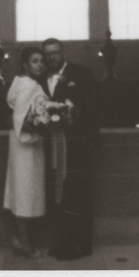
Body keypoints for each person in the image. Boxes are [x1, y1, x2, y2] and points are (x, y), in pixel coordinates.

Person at [41, 38, 100, 260]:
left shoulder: (81, 74)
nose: (51, 57)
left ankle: (83, 244)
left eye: (55, 53)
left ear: (62, 53)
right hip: (53, 149)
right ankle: (63, 242)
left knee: (80, 195)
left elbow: (93, 106)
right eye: (47, 54)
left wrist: (72, 114)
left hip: (78, 147)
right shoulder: (40, 79)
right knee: (59, 197)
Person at [3, 46, 48, 258]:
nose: (40, 64)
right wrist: (42, 123)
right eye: (35, 61)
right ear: (25, 64)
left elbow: (15, 108)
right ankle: (23, 240)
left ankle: (21, 237)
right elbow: (21, 118)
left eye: (41, 61)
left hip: (21, 145)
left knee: (23, 189)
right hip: (26, 145)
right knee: (25, 191)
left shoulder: (19, 81)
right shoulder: (30, 85)